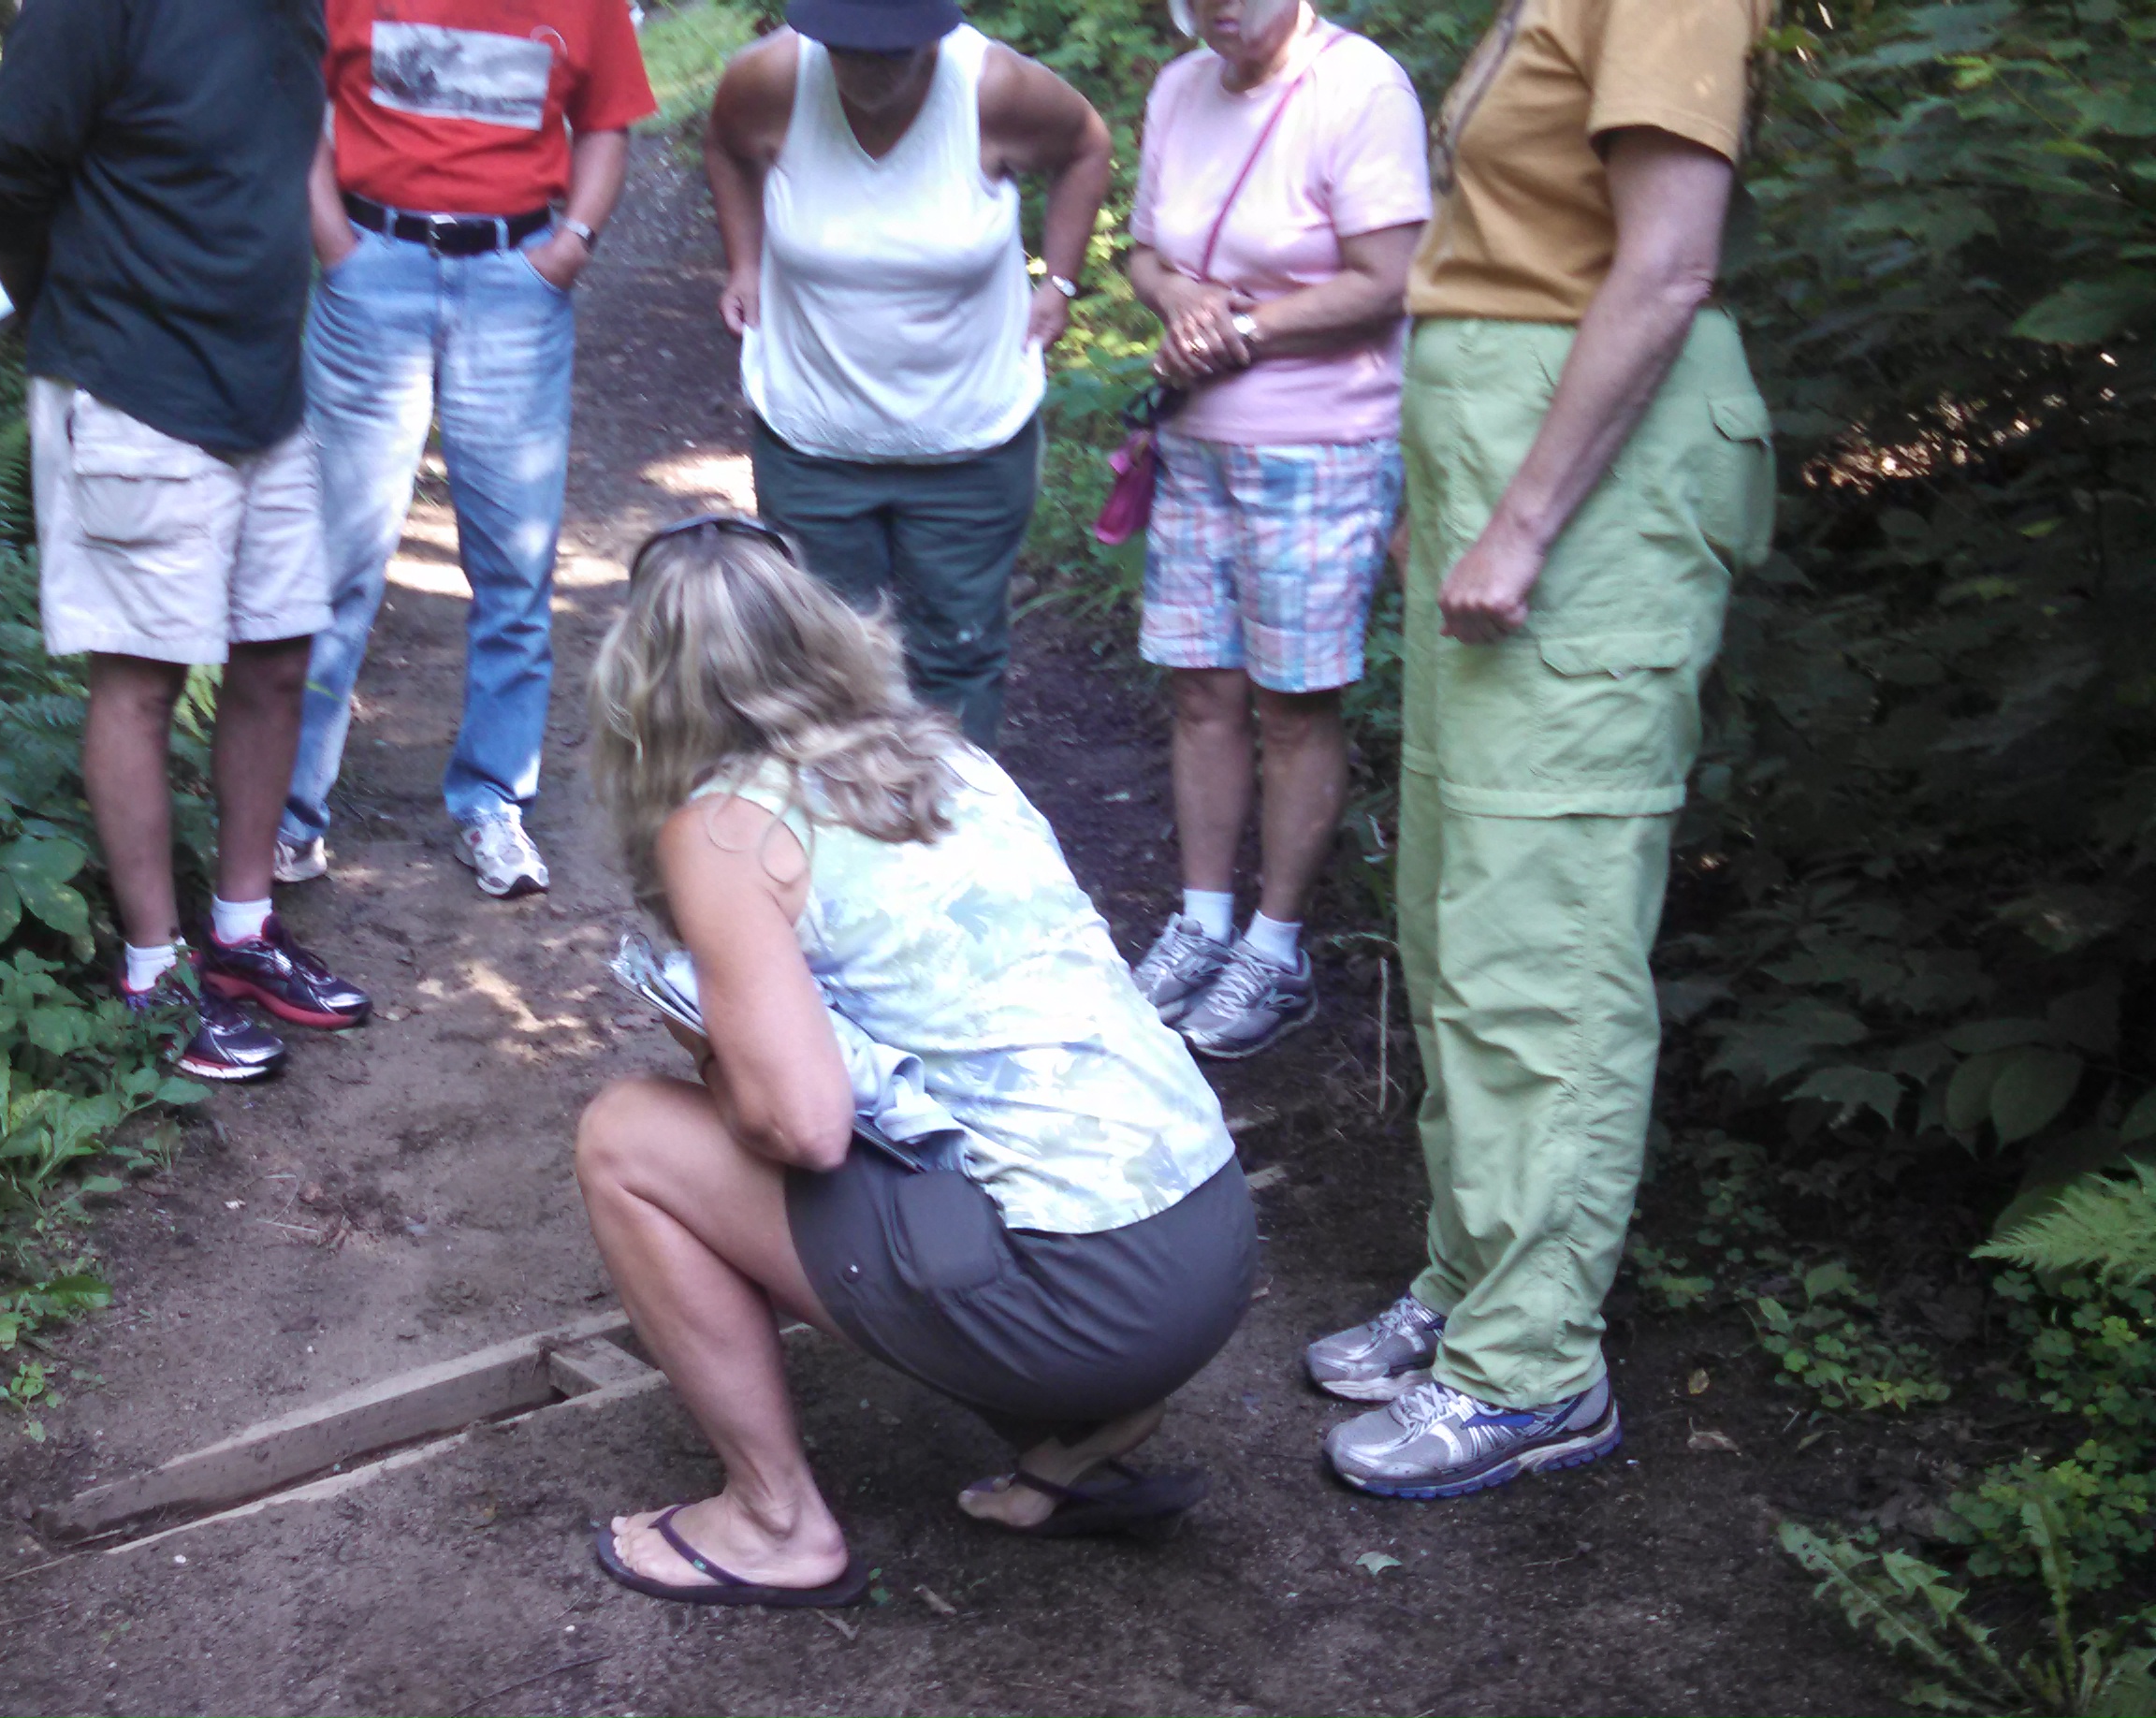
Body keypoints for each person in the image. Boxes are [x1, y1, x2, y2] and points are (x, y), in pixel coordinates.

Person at [572, 517, 1254, 1607]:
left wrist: (715, 1056)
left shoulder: (726, 826)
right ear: (820, 631)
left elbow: (802, 1126)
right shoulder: (943, 756)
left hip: (1093, 1297)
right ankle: (1074, 1437)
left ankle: (773, 1522)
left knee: (625, 1139)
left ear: (641, 681)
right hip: (1210, 1232)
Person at [1305, 0, 1778, 1497]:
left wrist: (1517, 516)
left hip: (1593, 496)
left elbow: (1666, 262)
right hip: (1512, 453)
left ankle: (1533, 1373)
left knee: (1542, 942)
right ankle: (1472, 1281)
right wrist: (1451, 485)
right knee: (1456, 914)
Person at [0, 0, 371, 1085]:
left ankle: (240, 936)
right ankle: (154, 974)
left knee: (279, 655)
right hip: (133, 382)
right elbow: (4, 160)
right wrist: (79, 304)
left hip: (265, 387)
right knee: (141, 681)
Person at [275, 0, 659, 901]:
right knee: (334, 563)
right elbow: (297, 104)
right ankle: (291, 815)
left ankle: (492, 802)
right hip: (373, 270)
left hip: (515, 280)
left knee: (515, 568)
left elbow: (606, 124)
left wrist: (570, 248)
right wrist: (332, 238)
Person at [1117, 0, 1429, 1060]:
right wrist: (1186, 298)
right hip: (1198, 436)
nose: (1222, 6)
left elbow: (1388, 282)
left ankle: (1276, 947)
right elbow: (1146, 254)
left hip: (1322, 446)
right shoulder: (1179, 88)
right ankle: (1202, 924)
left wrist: (1239, 332)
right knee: (1201, 685)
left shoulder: (1360, 88)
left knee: (1296, 702)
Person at [702, 0, 1114, 748]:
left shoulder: (994, 89)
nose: (868, 72)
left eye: (893, 54)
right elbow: (727, 147)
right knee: (821, 661)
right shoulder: (770, 82)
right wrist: (745, 262)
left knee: (957, 658)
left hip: (970, 444)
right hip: (813, 440)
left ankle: (955, 844)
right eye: (848, 52)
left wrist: (1061, 282)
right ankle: (833, 849)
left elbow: (1087, 145)